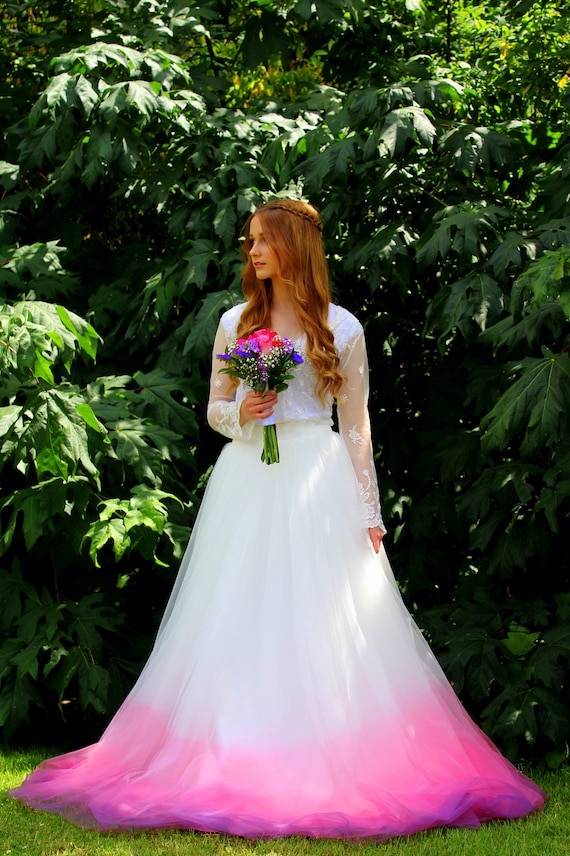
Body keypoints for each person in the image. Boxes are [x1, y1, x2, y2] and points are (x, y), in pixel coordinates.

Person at [9, 199, 545, 838]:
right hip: (247, 480)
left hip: (317, 482)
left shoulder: (341, 328)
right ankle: (235, 743)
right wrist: (246, 411)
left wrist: (369, 511)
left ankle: (331, 747)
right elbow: (214, 407)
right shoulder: (235, 322)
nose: (253, 251)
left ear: (295, 246)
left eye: (264, 240)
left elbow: (356, 426)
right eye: (249, 241)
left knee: (325, 613)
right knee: (239, 610)